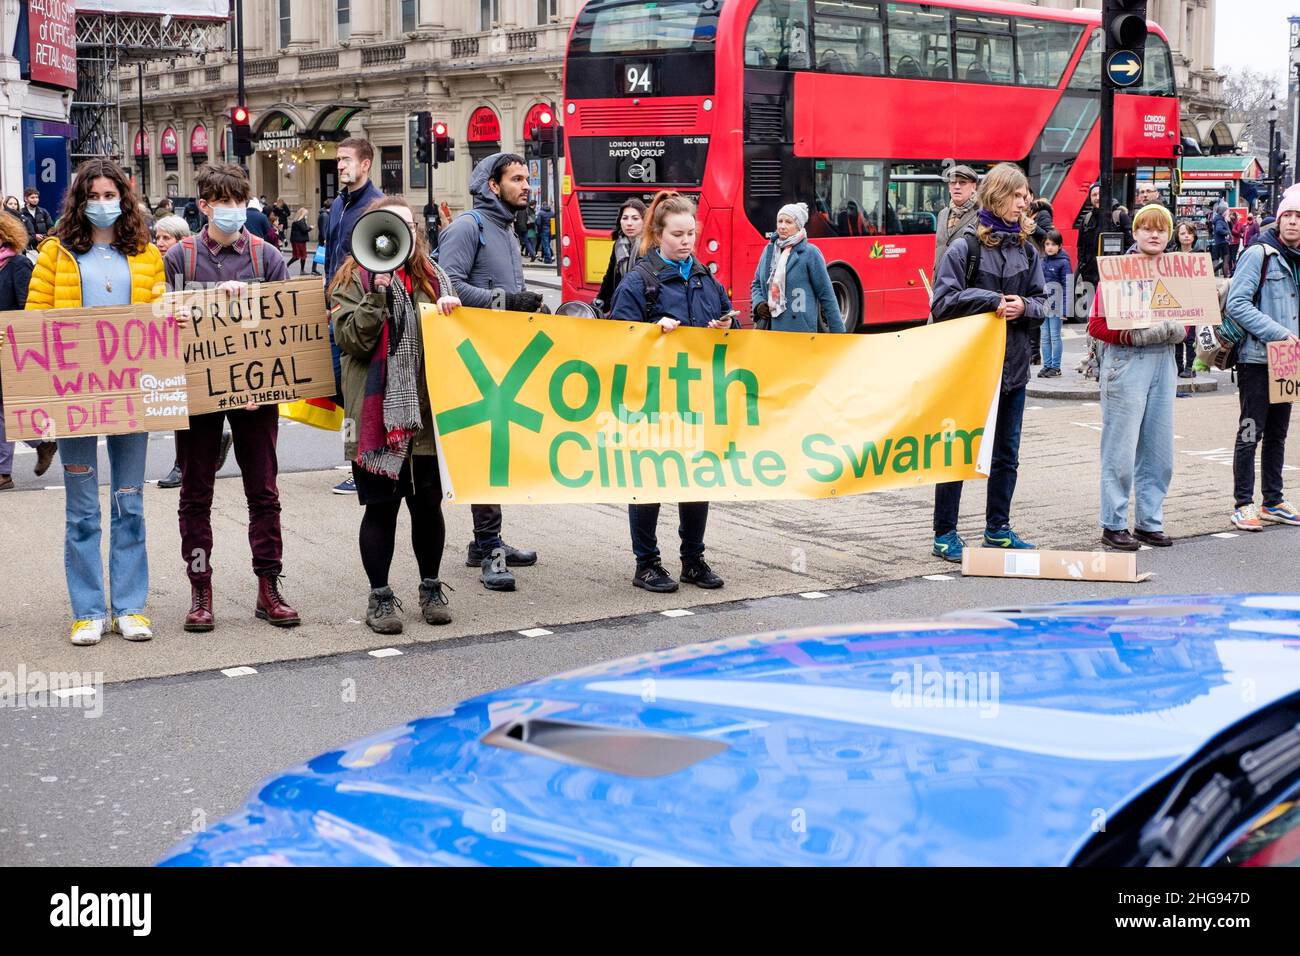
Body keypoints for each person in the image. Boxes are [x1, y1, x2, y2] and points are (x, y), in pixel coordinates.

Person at [26, 158, 166, 645]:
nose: (103, 204)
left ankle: (129, 607)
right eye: (94, 196)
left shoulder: (147, 255)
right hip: (75, 398)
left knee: (130, 501)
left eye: (111, 195)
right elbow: (35, 321)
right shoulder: (54, 254)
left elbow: (159, 313)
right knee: (82, 509)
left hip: (131, 394)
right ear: (79, 201)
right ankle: (87, 610)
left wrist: (173, 321)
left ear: (124, 200)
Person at [162, 162, 297, 633]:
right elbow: (158, 321)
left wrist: (252, 308)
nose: (235, 211)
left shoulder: (267, 258)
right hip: (198, 393)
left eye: (241, 203)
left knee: (263, 491)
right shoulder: (179, 258)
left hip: (256, 394)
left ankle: (269, 584)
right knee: (195, 494)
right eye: (226, 203)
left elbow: (290, 328)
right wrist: (175, 316)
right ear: (204, 206)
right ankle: (201, 587)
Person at [330, 197, 461, 633]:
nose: (399, 233)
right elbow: (351, 340)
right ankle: (381, 598)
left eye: (407, 225)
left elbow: (456, 345)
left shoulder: (434, 279)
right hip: (374, 418)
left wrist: (450, 316)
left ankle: (430, 587)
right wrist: (376, 296)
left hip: (424, 416)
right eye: (389, 225)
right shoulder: (353, 279)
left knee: (428, 508)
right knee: (381, 510)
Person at [609, 190, 730, 593]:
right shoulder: (638, 281)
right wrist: (652, 334)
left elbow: (733, 328)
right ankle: (646, 563)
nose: (685, 241)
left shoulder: (706, 278)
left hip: (696, 399)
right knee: (649, 480)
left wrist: (727, 328)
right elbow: (618, 341)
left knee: (697, 480)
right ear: (658, 233)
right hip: (651, 402)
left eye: (691, 234)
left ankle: (692, 560)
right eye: (677, 234)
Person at [929, 162, 1047, 563]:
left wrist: (1024, 306)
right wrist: (992, 300)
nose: (1024, 202)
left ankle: (998, 529)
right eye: (1017, 195)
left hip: (1012, 370)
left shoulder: (1027, 249)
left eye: (1025, 195)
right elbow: (942, 303)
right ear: (997, 196)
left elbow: (1044, 302)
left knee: (1006, 454)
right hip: (969, 371)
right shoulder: (966, 247)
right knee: (959, 451)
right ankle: (944, 533)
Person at [437, 151, 544, 591]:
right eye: (517, 179)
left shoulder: (505, 228)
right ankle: (489, 549)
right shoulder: (469, 226)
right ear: (493, 185)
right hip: (473, 358)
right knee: (485, 451)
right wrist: (504, 300)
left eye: (527, 179)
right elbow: (448, 283)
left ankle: (484, 542)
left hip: (503, 353)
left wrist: (525, 302)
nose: (526, 186)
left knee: (498, 452)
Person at [1087, 204, 1184, 551]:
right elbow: (1096, 324)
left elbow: (1192, 318)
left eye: (1161, 229)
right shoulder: (1117, 271)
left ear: (1169, 235)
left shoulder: (1179, 272)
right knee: (1121, 449)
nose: (1154, 234)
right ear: (1135, 232)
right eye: (1147, 228)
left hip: (1164, 363)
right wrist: (1134, 336)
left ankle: (1148, 522)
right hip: (1126, 362)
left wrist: (1182, 329)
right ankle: (1113, 524)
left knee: (1159, 452)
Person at [1224, 192, 1300, 532]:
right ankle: (1243, 503)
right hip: (1257, 357)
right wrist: (1280, 333)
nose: (1293, 222)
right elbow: (1237, 304)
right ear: (1279, 219)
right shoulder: (1259, 253)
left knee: (1279, 433)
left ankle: (1273, 500)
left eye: (1299, 217)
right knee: (1250, 430)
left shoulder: (1297, 259)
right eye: (1289, 216)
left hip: (1288, 360)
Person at [324, 139, 385, 496]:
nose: (340, 166)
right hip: (335, 307)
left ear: (366, 164)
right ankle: (359, 453)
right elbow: (332, 253)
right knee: (338, 386)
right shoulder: (337, 205)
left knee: (352, 389)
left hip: (360, 310)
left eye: (346, 160)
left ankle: (357, 463)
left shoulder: (375, 206)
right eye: (338, 160)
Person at [0, 210, 55, 490]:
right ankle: (41, 441)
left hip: (10, 346)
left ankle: (3, 472)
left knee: (3, 406)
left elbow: (28, 306)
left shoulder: (18, 264)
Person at [750, 201, 845, 333]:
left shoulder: (810, 253)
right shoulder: (769, 251)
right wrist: (758, 304)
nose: (782, 226)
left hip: (801, 332)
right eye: (780, 221)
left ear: (799, 226)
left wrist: (839, 335)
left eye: (788, 222)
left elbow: (827, 295)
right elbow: (756, 284)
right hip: (770, 331)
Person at [594, 197, 646, 315]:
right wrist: (600, 300)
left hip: (643, 307)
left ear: (645, 221)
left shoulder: (651, 246)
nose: (629, 223)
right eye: (625, 218)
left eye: (635, 218)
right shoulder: (619, 245)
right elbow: (610, 276)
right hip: (622, 304)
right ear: (620, 221)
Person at [933, 165, 979, 277]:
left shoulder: (981, 215)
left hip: (965, 284)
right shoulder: (942, 214)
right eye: (953, 182)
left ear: (973, 186)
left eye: (962, 182)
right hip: (940, 282)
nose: (957, 187)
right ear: (949, 187)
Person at [1037, 229, 1071, 378]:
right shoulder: (1042, 261)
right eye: (1047, 244)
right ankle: (1047, 365)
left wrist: (1066, 309)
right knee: (1044, 337)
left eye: (1053, 244)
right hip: (1044, 305)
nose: (1049, 247)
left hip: (1057, 306)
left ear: (1060, 246)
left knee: (1055, 337)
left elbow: (1068, 285)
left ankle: (1056, 367)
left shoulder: (1064, 262)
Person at [1173, 220, 1200, 378]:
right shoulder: (1172, 254)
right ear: (1177, 235)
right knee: (1176, 336)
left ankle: (1191, 366)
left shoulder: (1199, 254)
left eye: (1189, 233)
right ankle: (1177, 366)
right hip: (1176, 301)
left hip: (1192, 300)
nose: (1186, 236)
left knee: (1190, 338)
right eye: (1183, 233)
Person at [1076, 183, 1102, 311]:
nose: (1097, 197)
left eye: (1100, 194)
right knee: (1091, 313)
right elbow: (1080, 246)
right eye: (1094, 195)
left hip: (1110, 277)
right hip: (1090, 276)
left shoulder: (1119, 216)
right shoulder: (1086, 220)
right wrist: (1082, 266)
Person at [19, 187, 53, 251]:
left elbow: (51, 228)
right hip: (29, 247)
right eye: (32, 197)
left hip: (44, 245)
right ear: (26, 199)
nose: (35, 200)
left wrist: (45, 237)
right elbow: (20, 233)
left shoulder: (43, 211)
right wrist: (34, 237)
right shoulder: (21, 213)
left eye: (37, 197)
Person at [1211, 202, 1231, 276]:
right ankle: (1226, 276)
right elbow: (1219, 229)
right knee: (1226, 260)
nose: (1228, 212)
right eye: (1227, 210)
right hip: (1222, 242)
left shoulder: (1221, 219)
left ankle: (1213, 272)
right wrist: (1227, 233)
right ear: (1223, 212)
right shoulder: (1220, 220)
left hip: (1220, 242)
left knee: (1225, 260)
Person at [289, 207, 311, 275]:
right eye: (306, 214)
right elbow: (304, 230)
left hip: (296, 240)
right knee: (301, 256)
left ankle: (301, 270)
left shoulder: (296, 221)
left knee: (297, 256)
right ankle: (301, 270)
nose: (306, 216)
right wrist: (310, 228)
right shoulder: (301, 221)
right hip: (300, 241)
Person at [536, 200, 554, 264]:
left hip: (544, 230)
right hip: (550, 231)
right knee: (547, 245)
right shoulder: (551, 212)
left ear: (542, 205)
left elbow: (538, 223)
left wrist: (539, 229)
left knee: (545, 245)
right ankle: (548, 258)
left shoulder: (541, 213)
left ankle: (548, 259)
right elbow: (553, 222)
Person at [314, 204, 329, 275]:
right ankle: (314, 270)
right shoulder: (325, 215)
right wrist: (325, 238)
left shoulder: (323, 214)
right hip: (323, 238)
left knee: (318, 252)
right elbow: (323, 228)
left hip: (321, 237)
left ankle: (314, 269)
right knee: (324, 254)